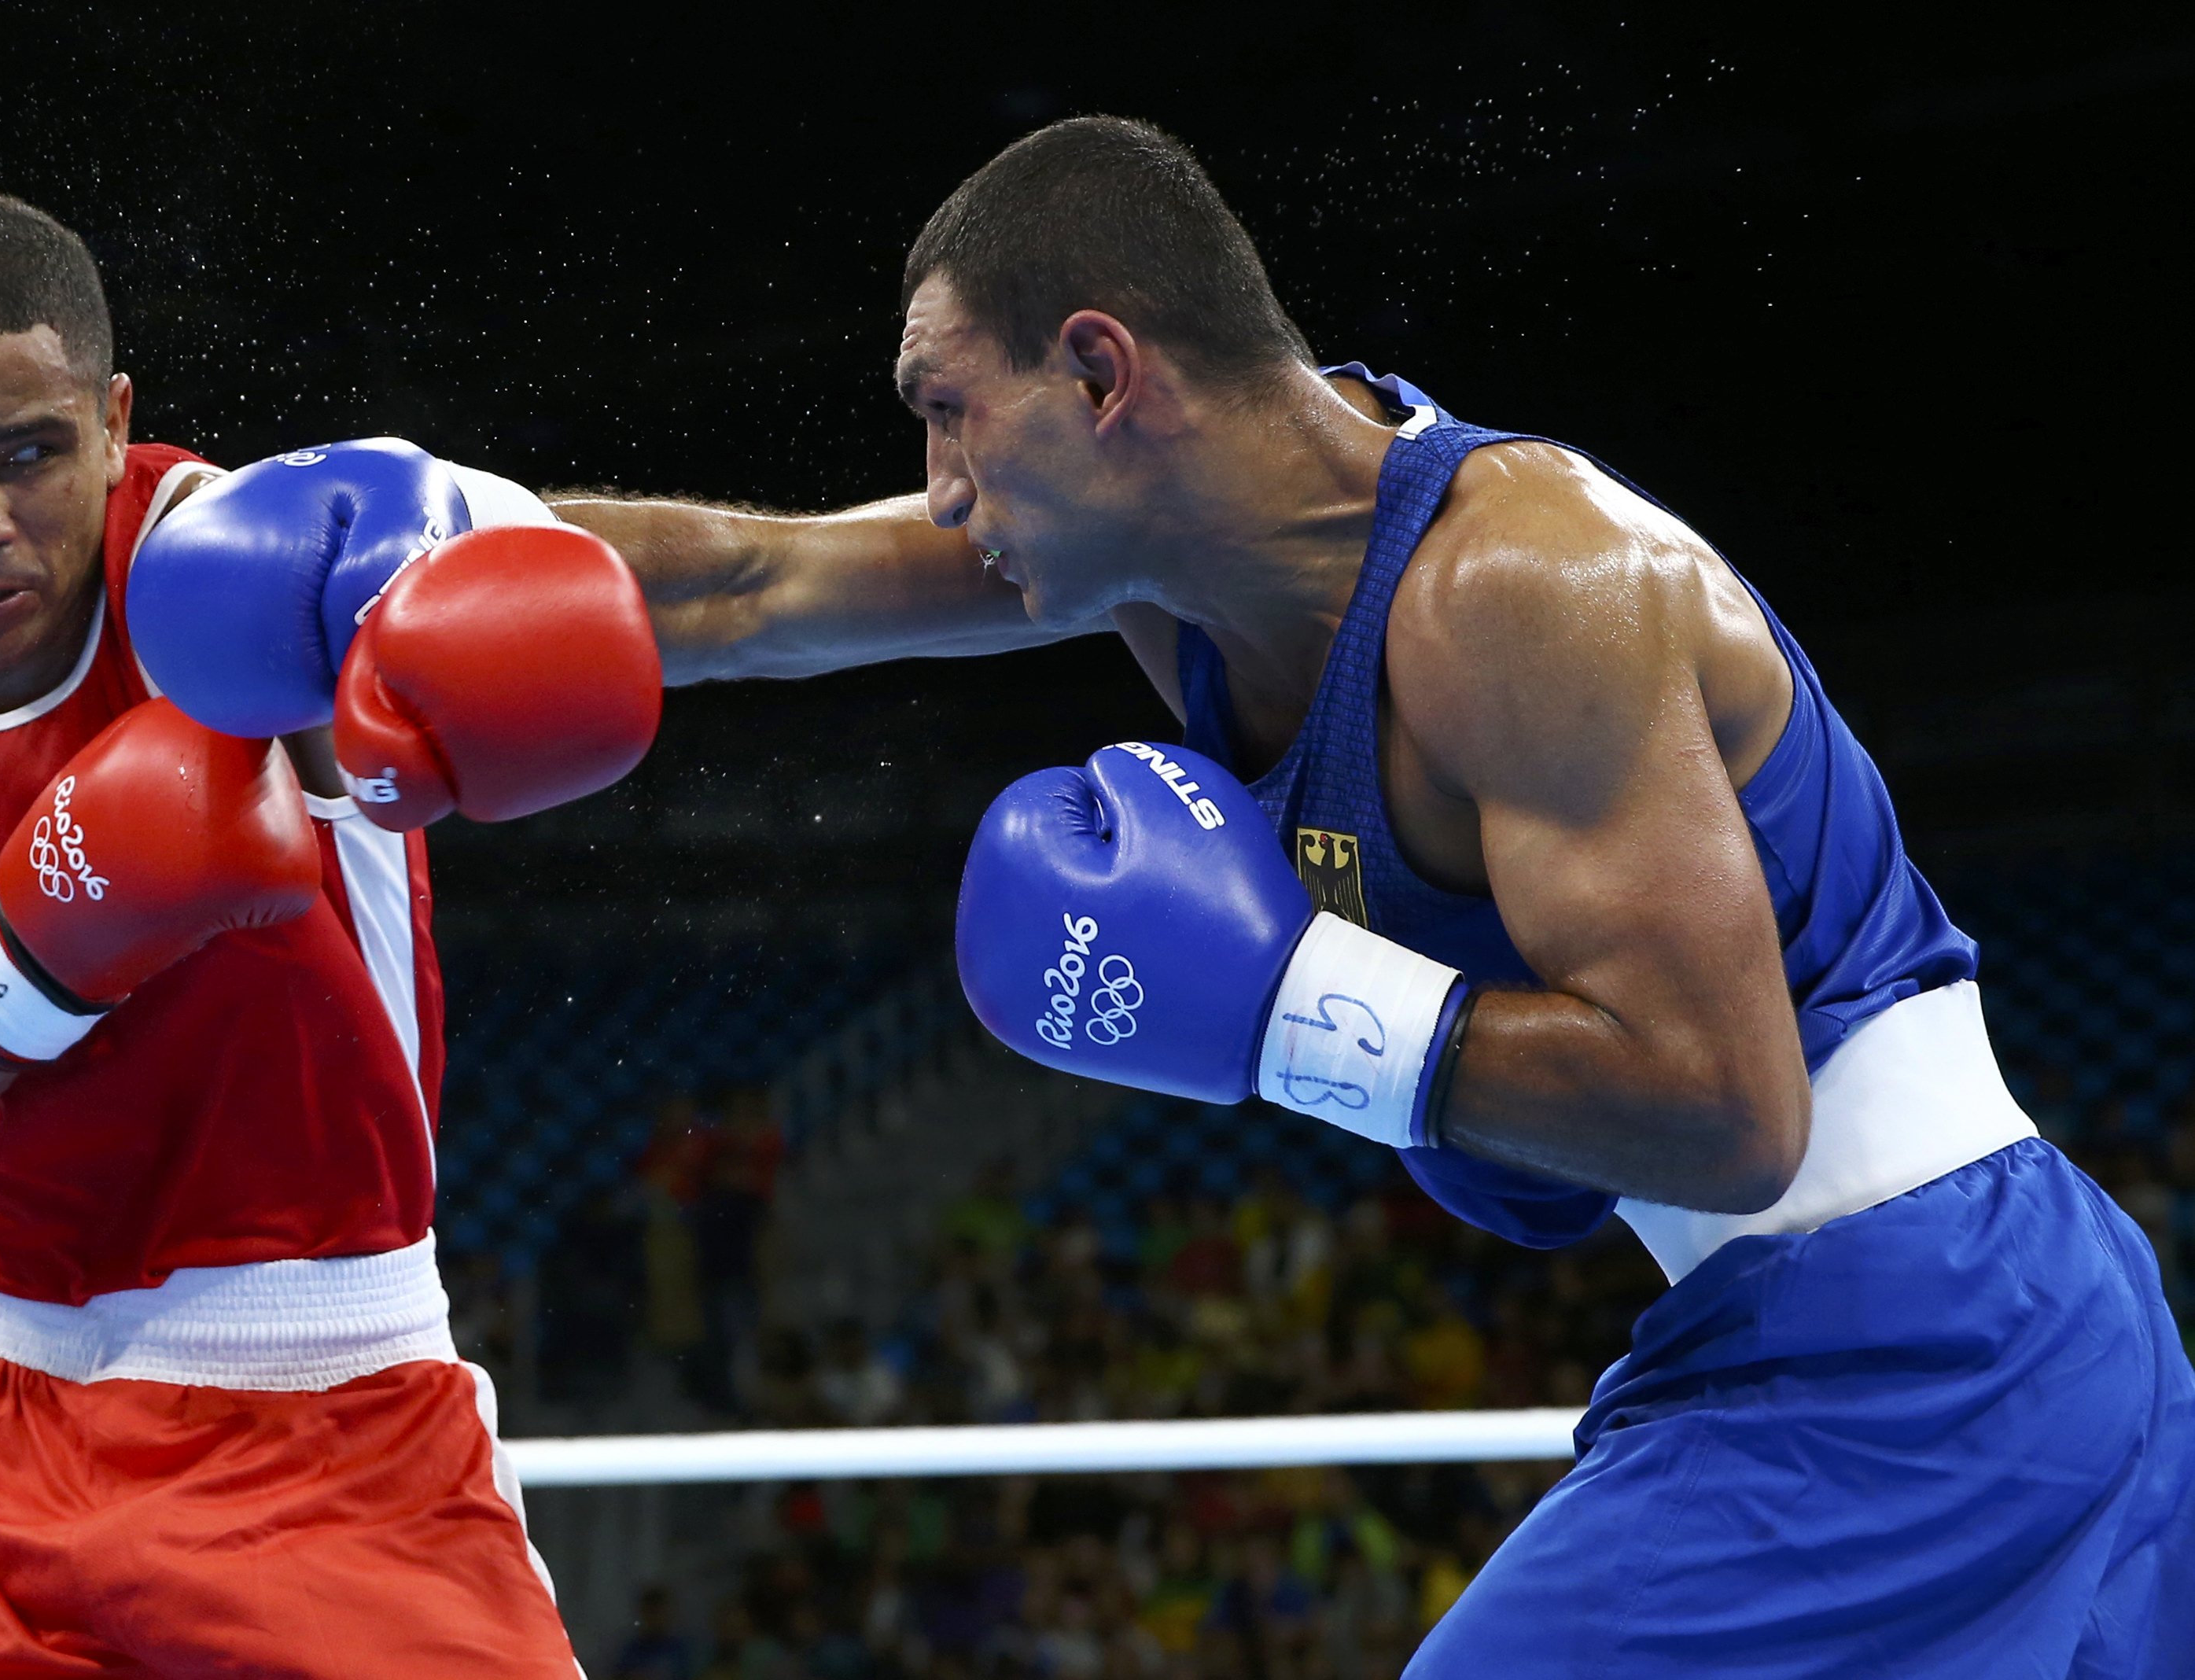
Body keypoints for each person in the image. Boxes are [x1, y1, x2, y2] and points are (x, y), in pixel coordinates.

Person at [550, 119, 2195, 1673]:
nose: (942, 484)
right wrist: (430, 544)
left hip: (1936, 1336)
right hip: (1862, 1329)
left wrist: (1288, 1012)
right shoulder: (1170, 585)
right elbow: (758, 579)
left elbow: (1723, 1108)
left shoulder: (1523, 588)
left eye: (948, 411)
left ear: (1103, 370)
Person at [0, 189, 659, 1676]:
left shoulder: (241, 579)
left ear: (112, 420)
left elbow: (732, 591)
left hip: (319, 1401)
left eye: (31, 454)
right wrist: (56, 938)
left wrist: (1069, 547)